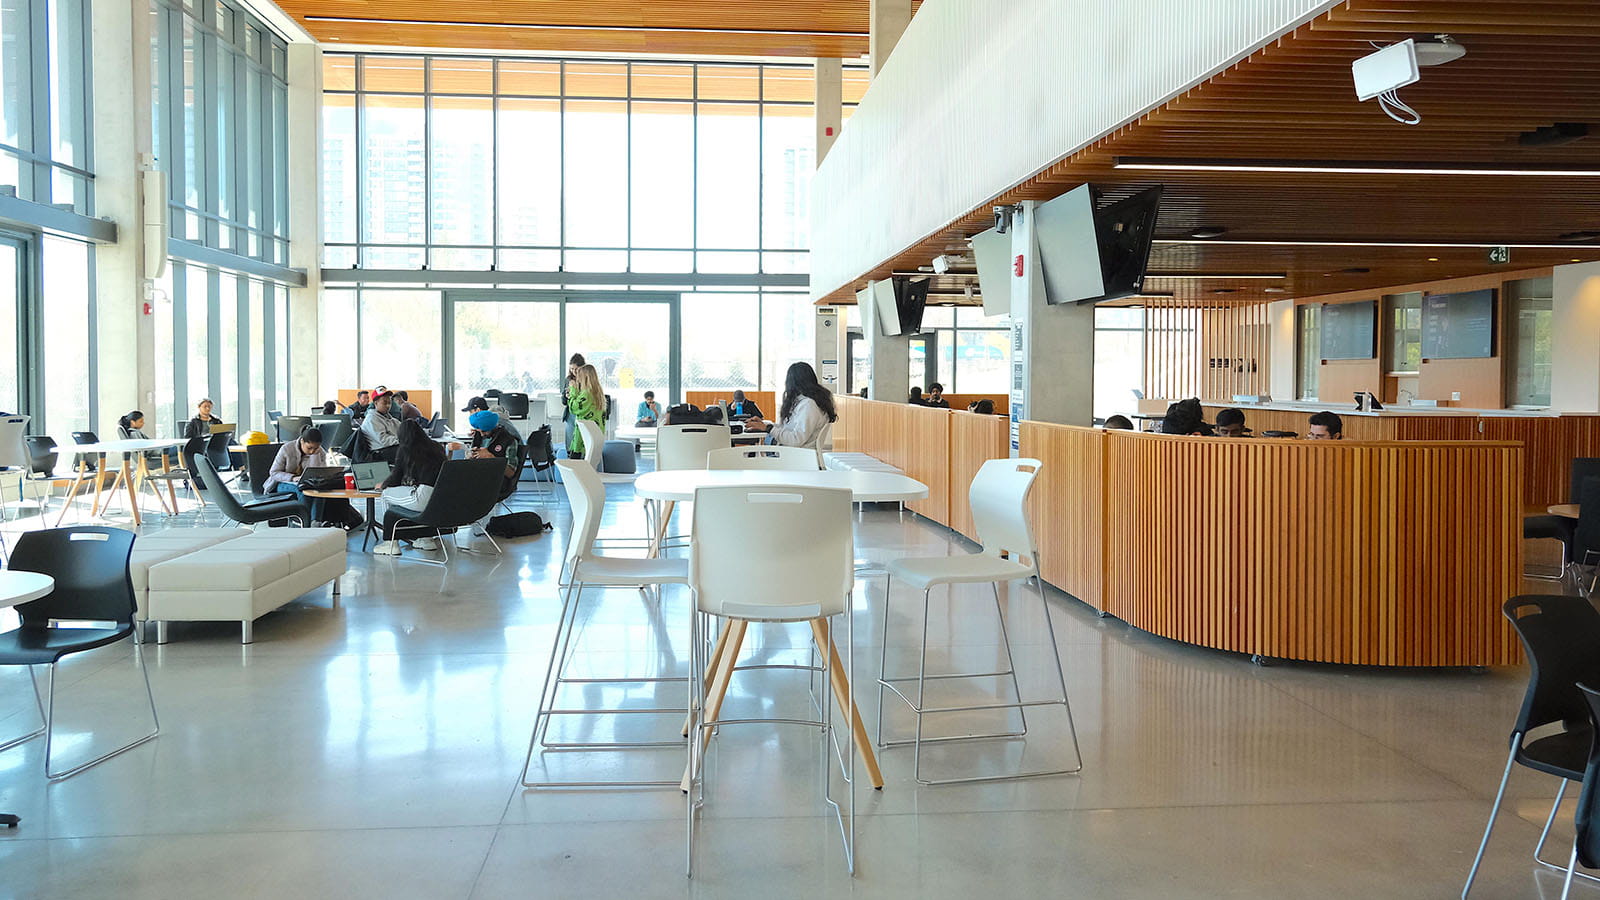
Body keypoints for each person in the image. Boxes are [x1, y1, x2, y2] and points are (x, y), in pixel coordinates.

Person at [373, 419, 448, 556]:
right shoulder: (436, 447)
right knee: (412, 499)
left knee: (386, 494)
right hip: (440, 498)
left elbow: (395, 478)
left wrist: (383, 485)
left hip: (422, 496)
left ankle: (391, 543)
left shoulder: (405, 449)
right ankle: (426, 539)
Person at [743, 362, 837, 451]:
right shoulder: (807, 402)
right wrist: (766, 425)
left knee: (750, 459)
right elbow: (789, 429)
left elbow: (795, 440)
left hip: (797, 456)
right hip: (797, 453)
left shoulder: (809, 405)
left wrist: (769, 429)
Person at [264, 426, 334, 525]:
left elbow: (318, 472)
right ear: (302, 441)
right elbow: (274, 473)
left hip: (307, 483)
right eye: (309, 448)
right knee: (302, 489)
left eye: (316, 448)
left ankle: (316, 522)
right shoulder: (287, 449)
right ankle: (303, 521)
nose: (312, 451)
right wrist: (293, 478)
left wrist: (315, 456)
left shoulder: (319, 452)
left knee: (320, 489)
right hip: (281, 483)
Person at [567, 363, 607, 458]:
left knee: (575, 463)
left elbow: (574, 408)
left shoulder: (587, 394)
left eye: (579, 376)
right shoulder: (597, 392)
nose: (577, 379)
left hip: (583, 438)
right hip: (594, 437)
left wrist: (572, 391)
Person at [360, 390, 404, 462]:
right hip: (379, 452)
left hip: (390, 448)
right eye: (384, 403)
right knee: (409, 451)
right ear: (375, 403)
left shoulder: (389, 418)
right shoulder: (372, 419)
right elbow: (384, 440)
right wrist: (403, 441)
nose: (388, 406)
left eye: (389, 403)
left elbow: (403, 428)